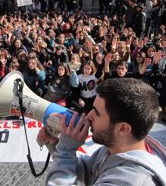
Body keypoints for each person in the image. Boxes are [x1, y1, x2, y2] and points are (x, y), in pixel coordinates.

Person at [38, 78, 166, 185]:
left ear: (123, 128)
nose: (88, 116)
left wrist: (66, 150)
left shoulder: (131, 181)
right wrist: (56, 145)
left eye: (97, 113)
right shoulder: (115, 147)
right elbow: (90, 171)